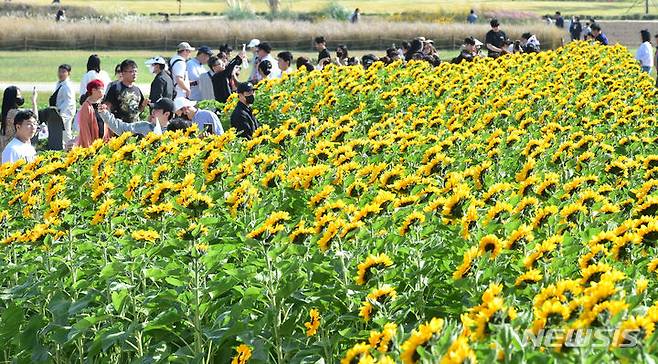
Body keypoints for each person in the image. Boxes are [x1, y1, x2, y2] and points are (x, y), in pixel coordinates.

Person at [99, 98, 175, 137]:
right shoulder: (143, 126)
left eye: (157, 110)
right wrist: (105, 113)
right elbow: (121, 128)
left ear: (167, 114)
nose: (153, 112)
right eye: (153, 109)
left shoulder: (174, 132)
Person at [103, 59, 146, 124]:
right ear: (123, 73)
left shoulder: (137, 89)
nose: (134, 74)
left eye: (135, 71)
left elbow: (139, 110)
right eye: (131, 71)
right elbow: (107, 108)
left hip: (135, 128)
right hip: (119, 129)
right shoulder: (115, 88)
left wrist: (143, 105)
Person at [77, 79, 107, 148]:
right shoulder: (86, 106)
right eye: (101, 89)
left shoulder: (102, 105)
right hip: (92, 145)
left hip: (103, 143)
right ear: (93, 90)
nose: (103, 91)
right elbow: (84, 129)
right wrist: (89, 147)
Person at [52, 64, 76, 146]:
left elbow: (69, 101)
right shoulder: (60, 83)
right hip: (61, 112)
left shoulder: (67, 85)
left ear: (68, 73)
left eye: (63, 72)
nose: (60, 74)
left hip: (66, 113)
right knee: (62, 133)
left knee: (66, 132)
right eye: (59, 71)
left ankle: (70, 149)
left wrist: (60, 112)